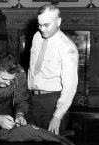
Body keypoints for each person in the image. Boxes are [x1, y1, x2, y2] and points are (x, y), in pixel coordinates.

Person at [28, 4, 79, 135]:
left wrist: (57, 116)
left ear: (58, 21)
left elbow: (70, 86)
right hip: (32, 99)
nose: (42, 29)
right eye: (39, 25)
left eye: (46, 25)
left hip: (52, 102)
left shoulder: (67, 48)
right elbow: (32, 69)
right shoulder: (37, 37)